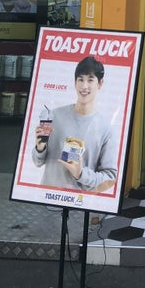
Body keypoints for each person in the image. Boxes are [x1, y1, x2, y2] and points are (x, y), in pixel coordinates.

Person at [31, 57, 117, 192]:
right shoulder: (55, 116)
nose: (84, 86)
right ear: (75, 82)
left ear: (100, 83)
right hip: (47, 197)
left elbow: (110, 177)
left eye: (90, 80)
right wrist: (40, 147)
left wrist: (80, 174)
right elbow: (37, 162)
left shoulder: (106, 128)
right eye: (80, 79)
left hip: (80, 203)